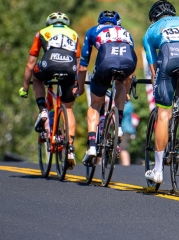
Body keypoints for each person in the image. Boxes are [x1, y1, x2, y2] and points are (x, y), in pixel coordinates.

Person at [143, 0, 179, 184]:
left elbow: (153, 68)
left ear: (154, 18)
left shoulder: (151, 30)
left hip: (169, 57)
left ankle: (158, 170)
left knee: (163, 113)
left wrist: (156, 82)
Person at [19, 12, 80, 166]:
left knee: (37, 76)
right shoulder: (74, 34)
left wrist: (25, 87)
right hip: (70, 68)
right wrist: (78, 84)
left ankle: (43, 110)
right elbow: (80, 64)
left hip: (49, 65)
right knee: (69, 109)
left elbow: (30, 63)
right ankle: (70, 147)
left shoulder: (42, 32)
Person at [77, 10, 137, 165]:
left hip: (105, 63)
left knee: (95, 105)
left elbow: (83, 67)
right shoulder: (126, 33)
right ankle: (119, 123)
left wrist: (80, 88)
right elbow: (129, 75)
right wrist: (127, 92)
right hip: (128, 64)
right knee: (120, 82)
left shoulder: (93, 31)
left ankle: (91, 146)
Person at [120, 99, 137, 166]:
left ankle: (126, 165)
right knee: (121, 149)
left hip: (126, 129)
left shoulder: (127, 105)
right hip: (125, 129)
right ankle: (122, 165)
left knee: (123, 148)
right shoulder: (128, 104)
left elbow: (121, 112)